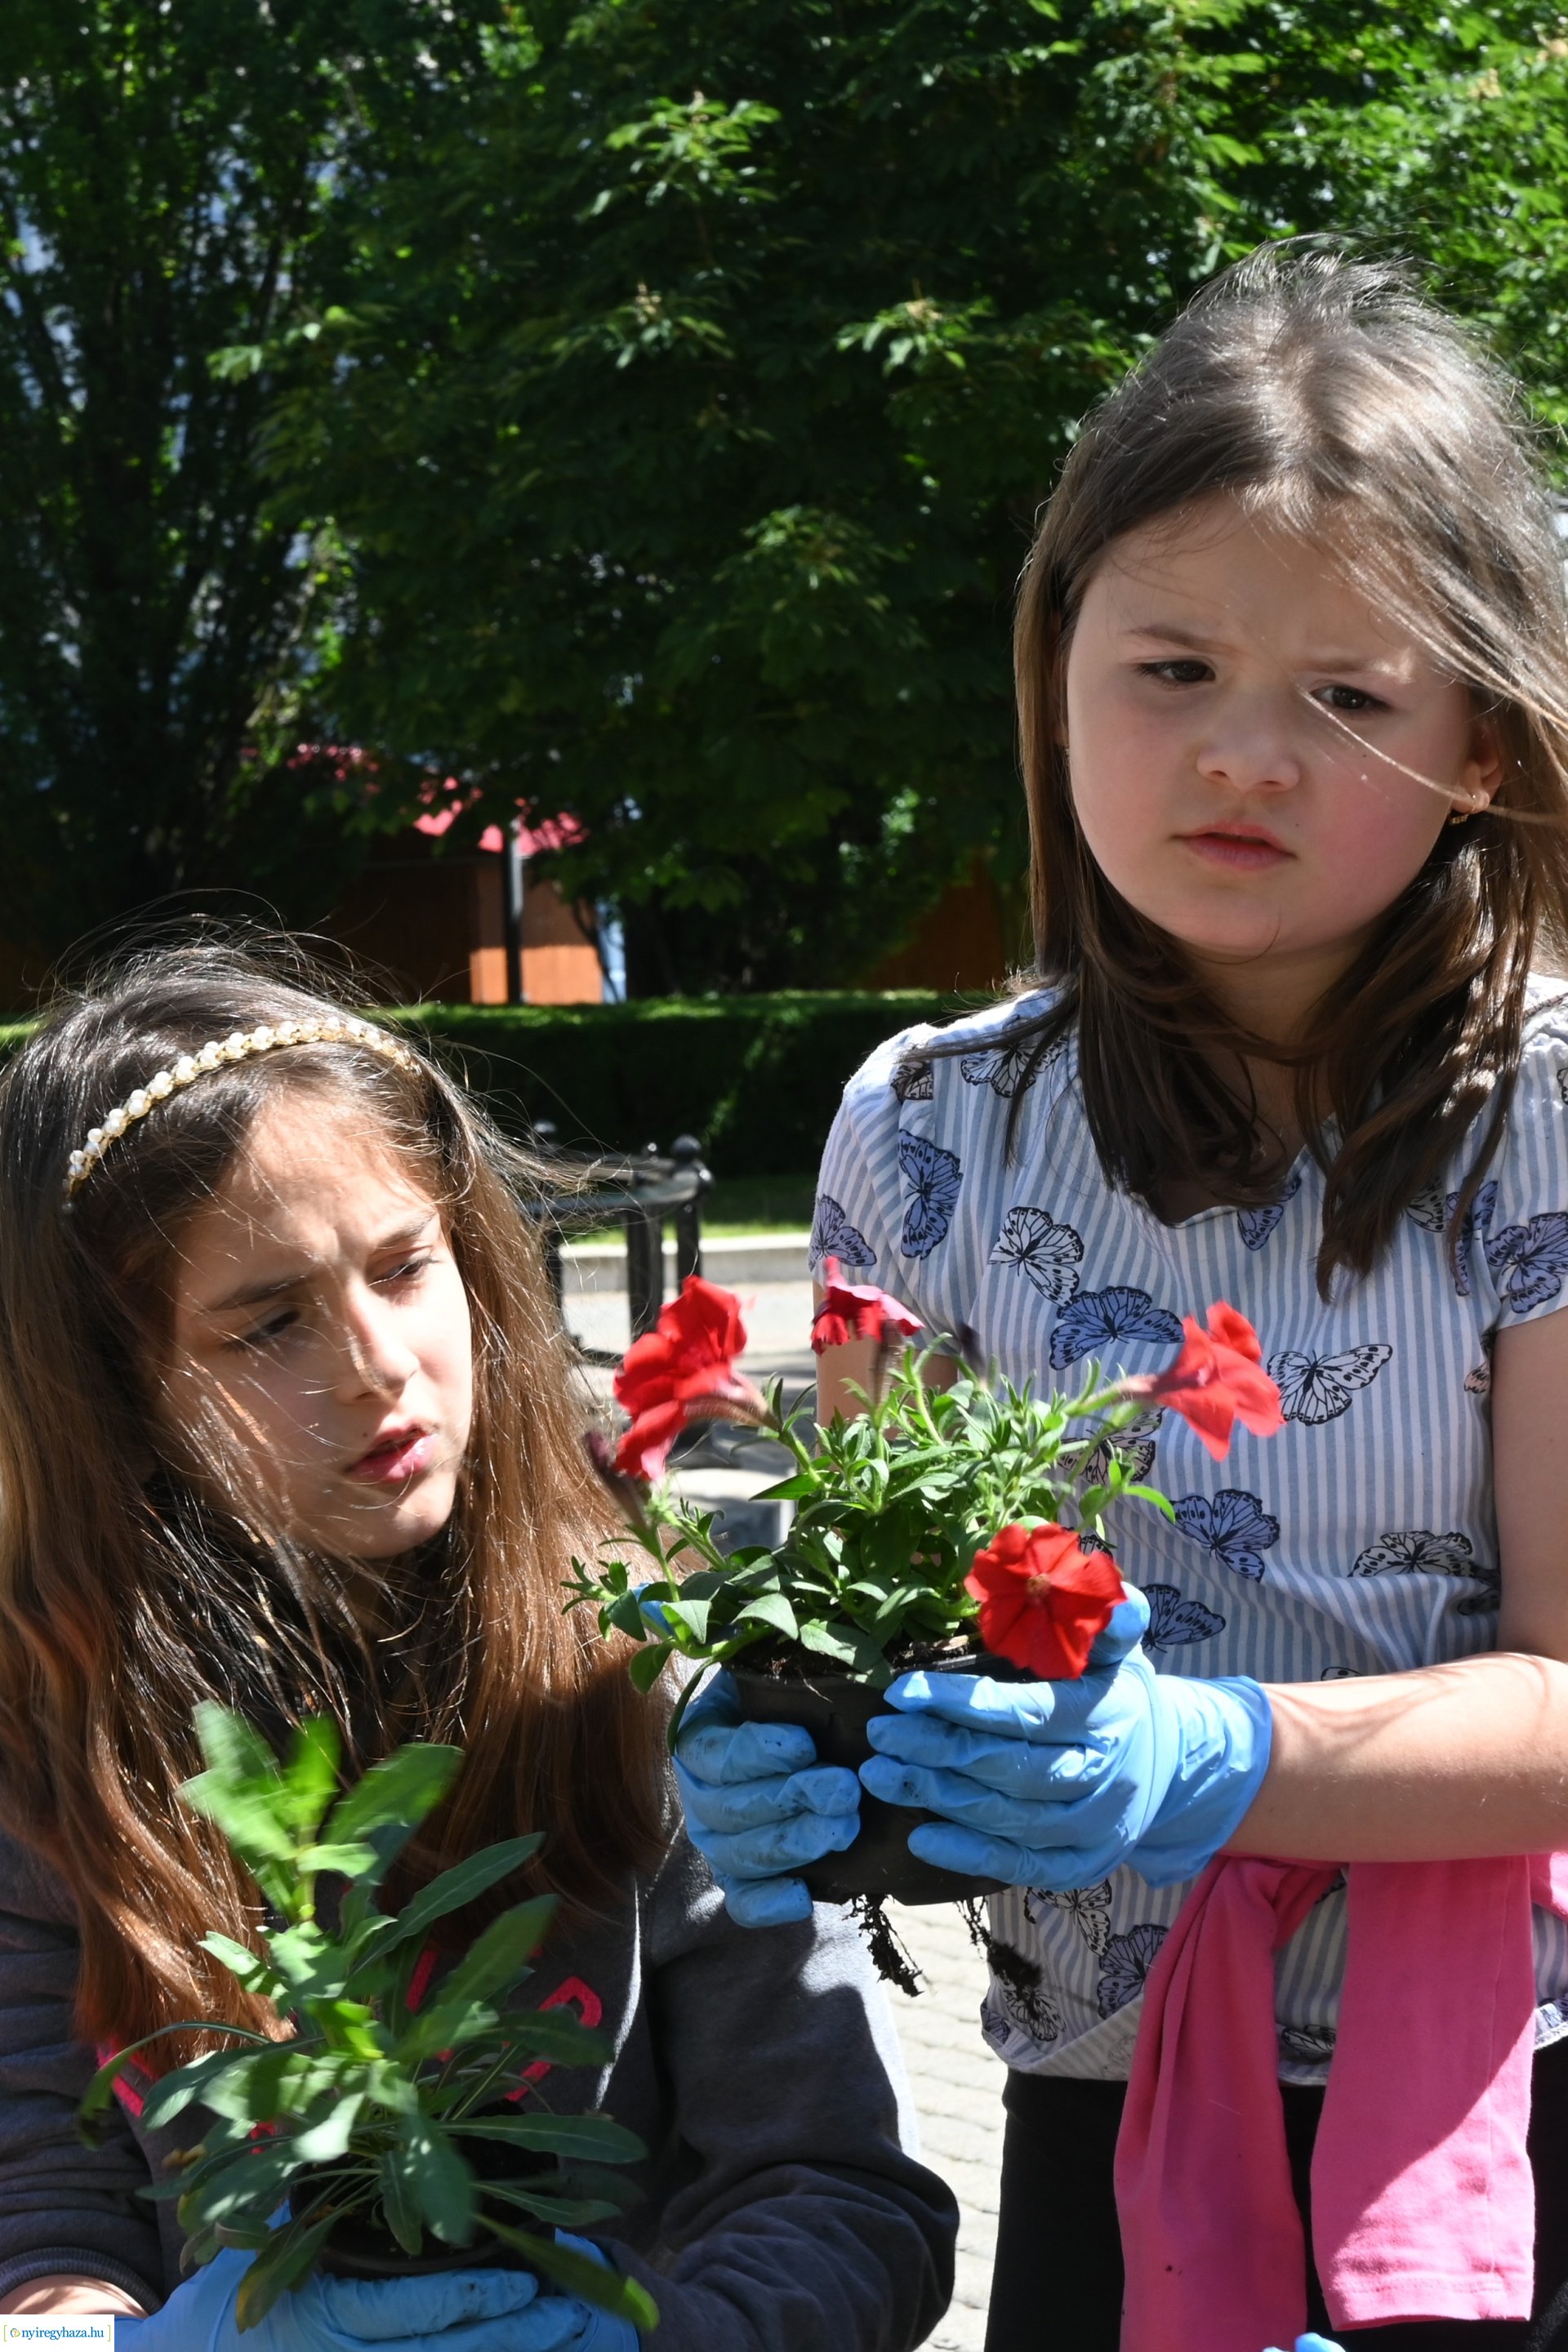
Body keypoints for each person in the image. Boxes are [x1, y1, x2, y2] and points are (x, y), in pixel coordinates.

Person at [672, 244, 1568, 2348]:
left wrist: (1220, 1753)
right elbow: (903, 1629)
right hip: (1098, 2114)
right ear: (1056, 661)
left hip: (1506, 2123)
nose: (1245, 754)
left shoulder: (1553, 1113)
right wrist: (808, 1759)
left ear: (1485, 746)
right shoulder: (931, 1133)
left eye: (1349, 695)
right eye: (1172, 667)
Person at [0, 942, 956, 2352]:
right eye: (266, 1323)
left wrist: (653, 2340)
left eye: (404, 1265)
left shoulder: (650, 1693)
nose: (376, 1363)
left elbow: (850, 2196)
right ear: (114, 1392)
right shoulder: (56, 1757)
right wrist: (122, 2343)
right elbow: (42, 2212)